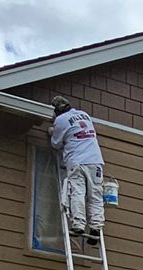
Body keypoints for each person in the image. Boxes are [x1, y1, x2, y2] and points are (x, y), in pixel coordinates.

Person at [50, 96, 104, 246]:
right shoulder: (84, 114)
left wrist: (52, 131)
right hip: (95, 161)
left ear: (56, 110)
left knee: (78, 192)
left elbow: (56, 143)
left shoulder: (60, 120)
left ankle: (79, 225)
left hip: (77, 161)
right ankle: (96, 227)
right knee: (95, 195)